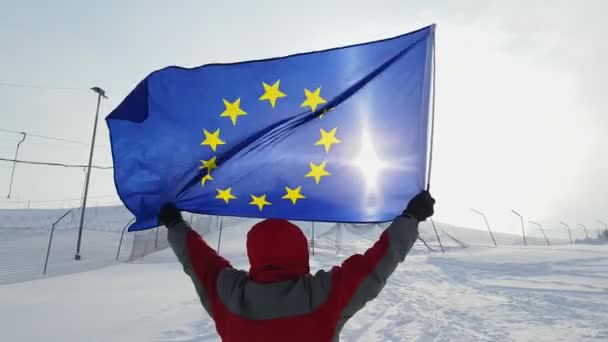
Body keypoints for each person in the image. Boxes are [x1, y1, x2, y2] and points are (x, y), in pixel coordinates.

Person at [158, 190, 435, 342]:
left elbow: (198, 260)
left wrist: (174, 224)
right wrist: (410, 218)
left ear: (253, 253)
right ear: (301, 251)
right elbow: (377, 263)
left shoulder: (230, 295)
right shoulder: (322, 295)